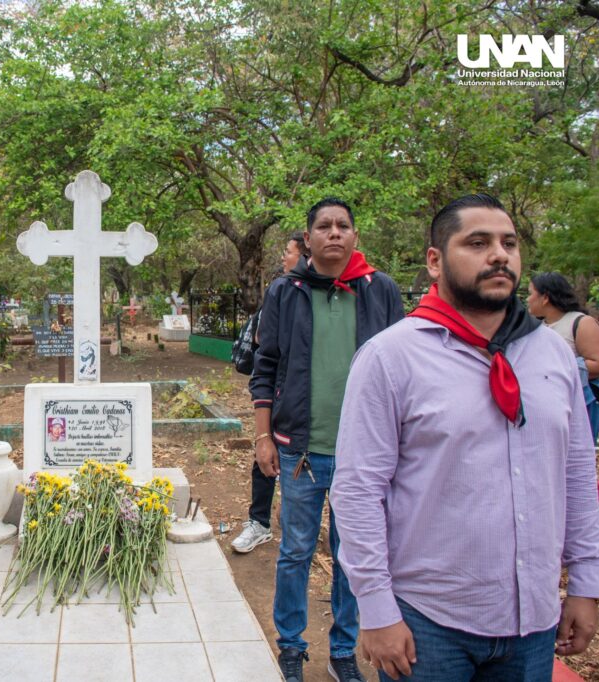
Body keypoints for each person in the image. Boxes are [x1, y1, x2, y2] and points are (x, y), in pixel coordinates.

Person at [331, 194, 599, 682]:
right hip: (428, 622)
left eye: (509, 243)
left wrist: (586, 580)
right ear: (435, 261)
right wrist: (375, 609)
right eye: (477, 243)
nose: (499, 255)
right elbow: (357, 491)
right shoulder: (391, 357)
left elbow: (576, 472)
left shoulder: (554, 358)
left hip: (533, 619)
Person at [250, 198, 404, 682]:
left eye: (343, 226)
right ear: (309, 238)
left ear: (355, 236)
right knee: (295, 551)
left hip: (367, 456)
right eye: (323, 226)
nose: (334, 233)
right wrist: (263, 436)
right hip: (301, 452)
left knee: (353, 555)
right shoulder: (286, 291)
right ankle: (291, 648)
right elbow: (266, 365)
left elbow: (405, 370)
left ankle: (343, 652)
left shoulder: (380, 291)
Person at [233, 230, 310, 553]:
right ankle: (259, 522)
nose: (283, 257)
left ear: (305, 254)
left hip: (306, 404)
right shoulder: (280, 292)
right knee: (264, 459)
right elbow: (263, 351)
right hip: (278, 397)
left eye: (288, 252)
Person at [527, 271, 599, 439]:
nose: (528, 300)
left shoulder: (580, 322)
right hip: (548, 402)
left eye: (531, 294)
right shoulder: (539, 327)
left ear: (545, 298)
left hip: (580, 401)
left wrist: (554, 367)